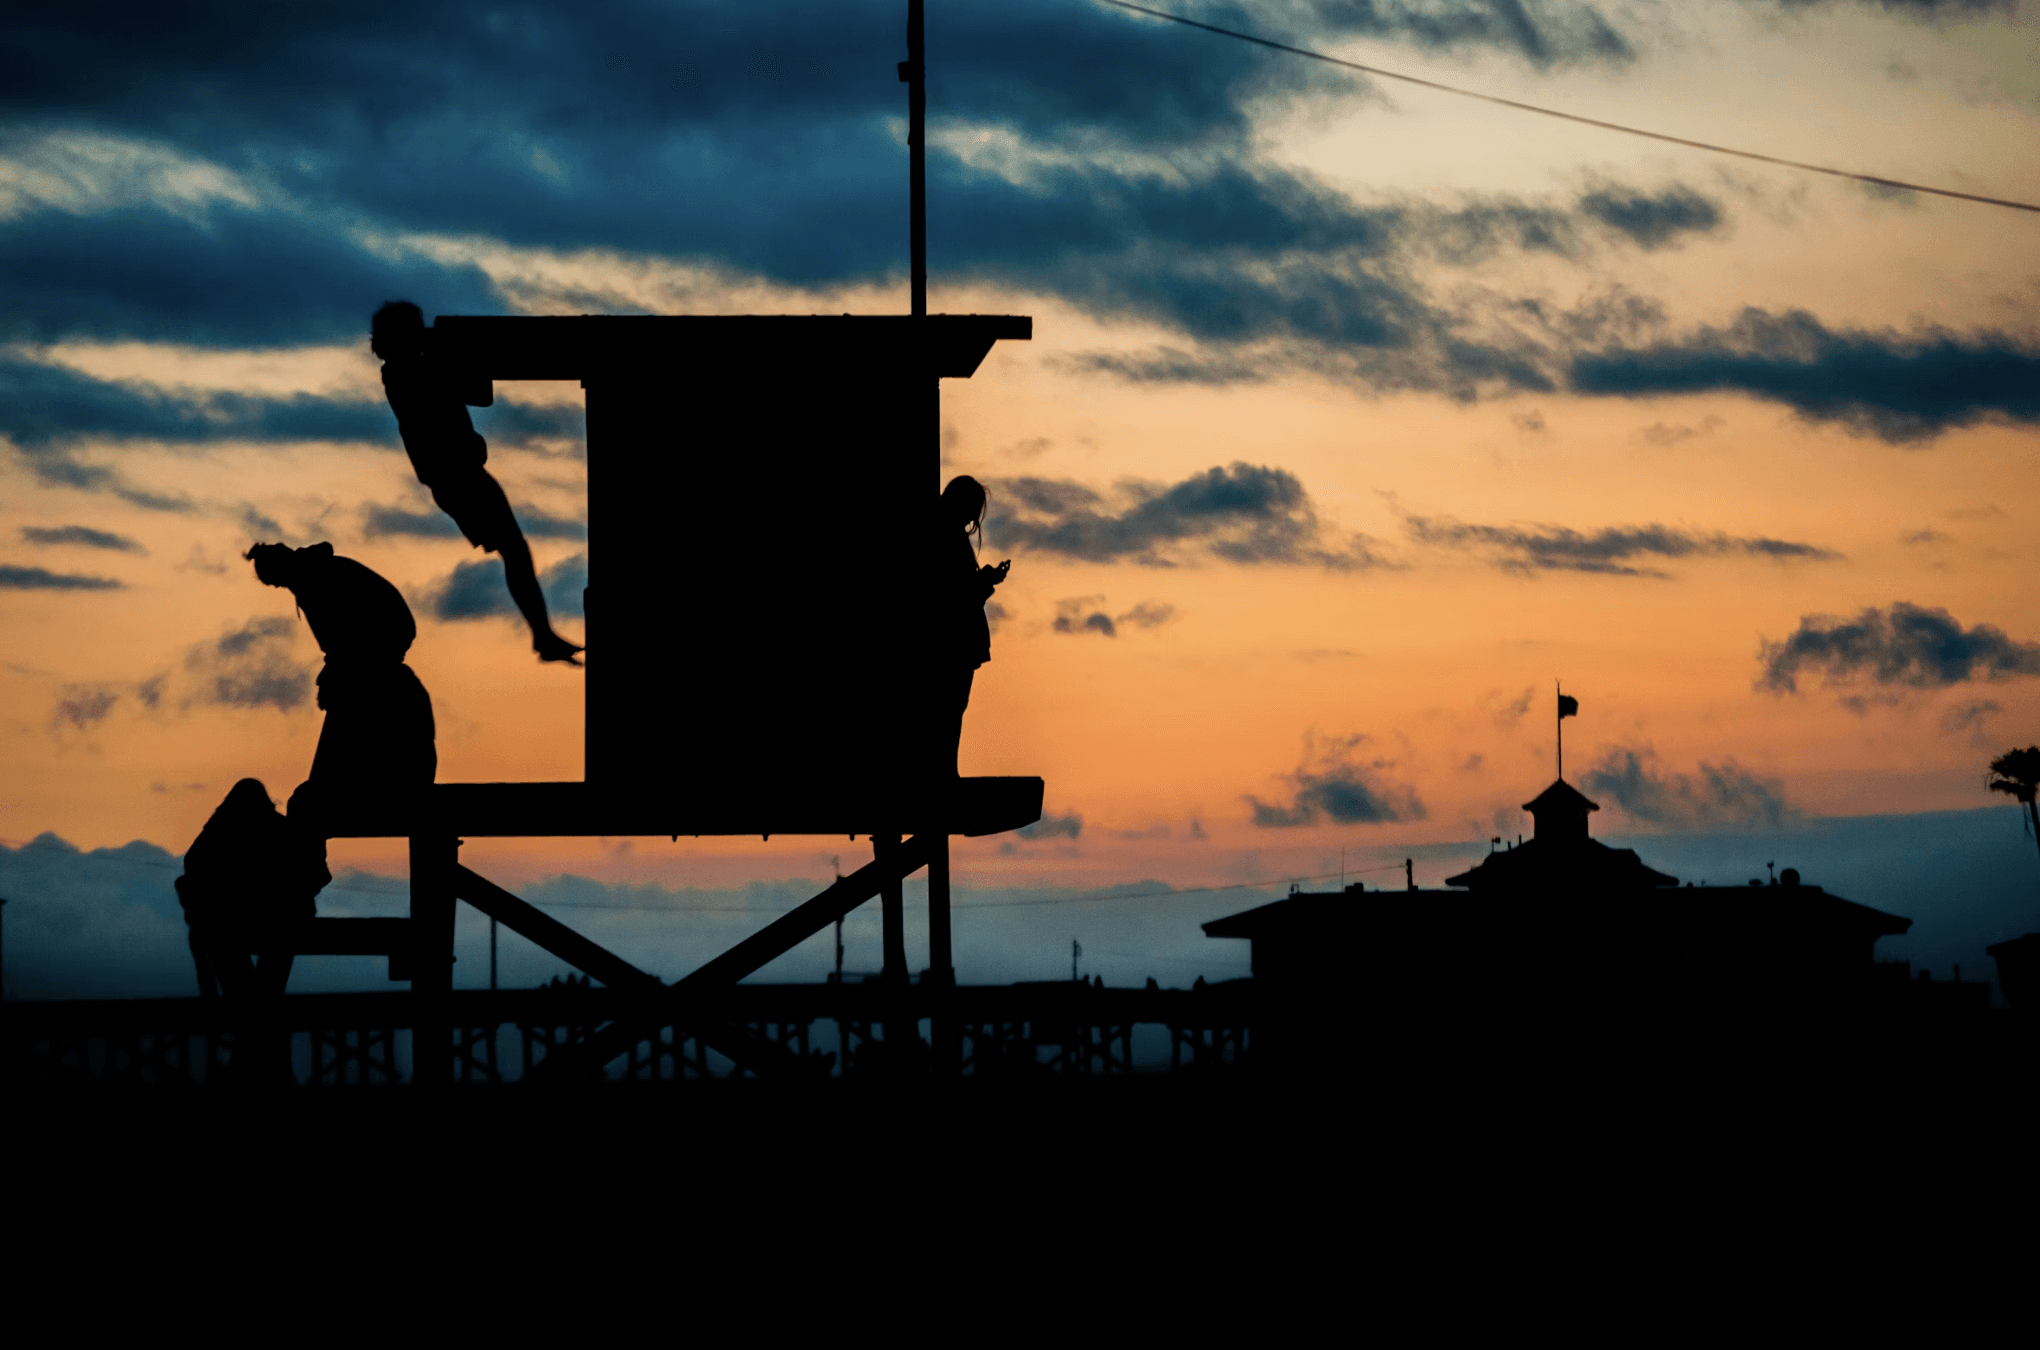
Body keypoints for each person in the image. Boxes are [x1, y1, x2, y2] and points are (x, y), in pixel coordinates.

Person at [371, 300, 583, 665]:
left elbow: (475, 393)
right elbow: (480, 393)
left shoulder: (408, 369)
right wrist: (463, 350)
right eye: (415, 327)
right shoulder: (414, 370)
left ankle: (542, 634)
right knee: (514, 550)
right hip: (458, 477)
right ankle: (542, 635)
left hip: (459, 475)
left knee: (514, 551)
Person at [244, 542, 436, 818]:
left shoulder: (317, 581)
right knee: (342, 692)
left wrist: (335, 673)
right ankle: (336, 779)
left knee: (342, 697)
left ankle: (331, 782)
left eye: (277, 582)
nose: (281, 588)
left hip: (381, 639)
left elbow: (343, 637)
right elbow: (338, 643)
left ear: (283, 570)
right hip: (377, 644)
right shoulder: (314, 575)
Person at [176, 778, 329, 1003]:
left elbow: (192, 877)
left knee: (245, 993)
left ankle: (252, 1017)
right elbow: (316, 878)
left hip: (233, 925)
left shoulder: (215, 834)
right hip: (269, 923)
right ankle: (258, 1018)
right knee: (262, 992)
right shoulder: (278, 831)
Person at [934, 475, 1009, 777]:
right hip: (952, 644)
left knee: (953, 710)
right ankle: (944, 773)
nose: (974, 516)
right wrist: (983, 581)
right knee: (948, 711)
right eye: (973, 507)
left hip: (959, 644)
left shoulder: (950, 539)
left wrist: (983, 581)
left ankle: (946, 772)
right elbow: (953, 595)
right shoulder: (945, 541)